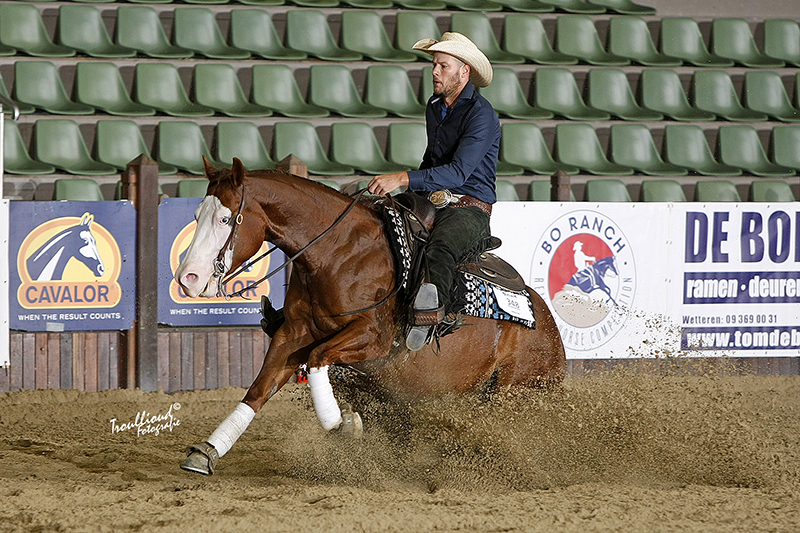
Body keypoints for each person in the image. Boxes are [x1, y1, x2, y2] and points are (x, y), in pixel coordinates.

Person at [367, 32, 500, 351]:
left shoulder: (481, 115)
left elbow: (457, 172)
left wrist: (401, 178)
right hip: (435, 202)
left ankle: (432, 316)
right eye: (434, 64)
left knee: (439, 248)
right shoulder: (435, 106)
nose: (434, 71)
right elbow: (432, 160)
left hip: (470, 209)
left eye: (443, 65)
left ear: (463, 71)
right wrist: (407, 190)